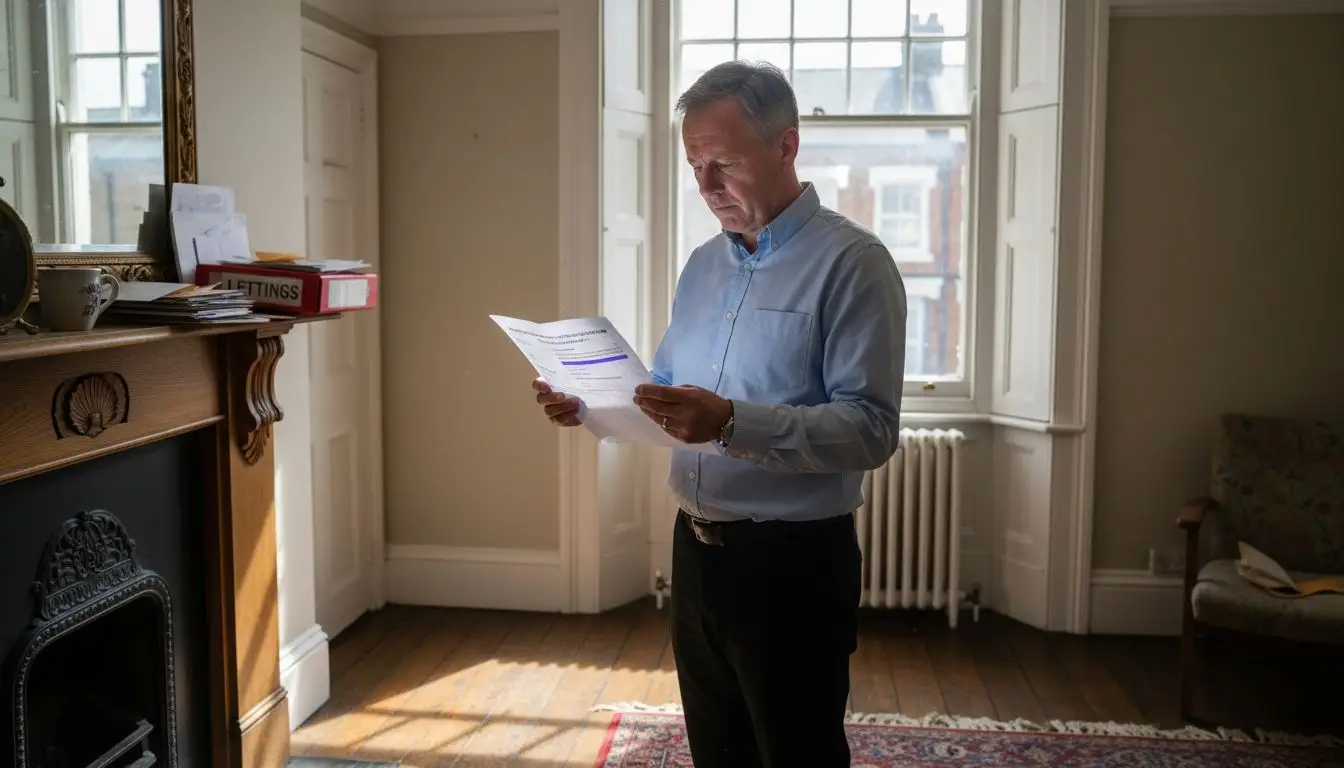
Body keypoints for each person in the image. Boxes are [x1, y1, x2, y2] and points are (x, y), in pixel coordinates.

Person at [533, 60, 907, 767]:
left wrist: (732, 423)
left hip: (794, 567)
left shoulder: (854, 264)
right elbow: (672, 392)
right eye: (694, 165)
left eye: (723, 164)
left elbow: (870, 428)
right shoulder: (703, 265)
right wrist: (587, 403)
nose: (705, 188)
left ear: (786, 146)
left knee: (797, 755)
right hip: (695, 557)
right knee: (718, 754)